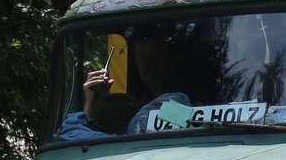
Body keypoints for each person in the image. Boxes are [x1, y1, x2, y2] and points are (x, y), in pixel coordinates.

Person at [57, 35, 191, 140]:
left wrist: (85, 113)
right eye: (141, 56)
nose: (147, 62)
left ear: (175, 57)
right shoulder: (137, 105)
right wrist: (92, 104)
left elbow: (72, 135)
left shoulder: (191, 104)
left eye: (154, 55)